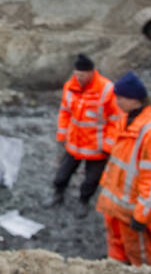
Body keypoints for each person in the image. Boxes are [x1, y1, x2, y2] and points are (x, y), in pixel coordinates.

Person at [96, 71, 151, 267]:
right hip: (115, 207)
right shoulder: (126, 121)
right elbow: (117, 162)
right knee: (117, 251)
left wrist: (142, 215)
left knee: (141, 258)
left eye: (120, 98)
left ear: (134, 99)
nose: (117, 102)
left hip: (131, 212)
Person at [43, 53, 120, 218]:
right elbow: (64, 111)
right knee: (62, 174)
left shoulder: (107, 89)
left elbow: (115, 120)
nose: (79, 77)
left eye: (82, 75)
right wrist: (61, 135)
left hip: (96, 147)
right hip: (74, 143)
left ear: (92, 72)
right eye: (76, 74)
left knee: (91, 180)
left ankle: (83, 201)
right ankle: (58, 194)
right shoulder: (70, 86)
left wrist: (108, 144)